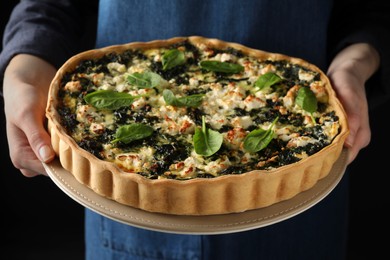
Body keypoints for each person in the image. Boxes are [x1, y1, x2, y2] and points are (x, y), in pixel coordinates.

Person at [1, 0, 389, 259]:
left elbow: (370, 9)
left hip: (297, 220)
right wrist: (25, 63)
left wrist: (357, 60)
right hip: (127, 218)